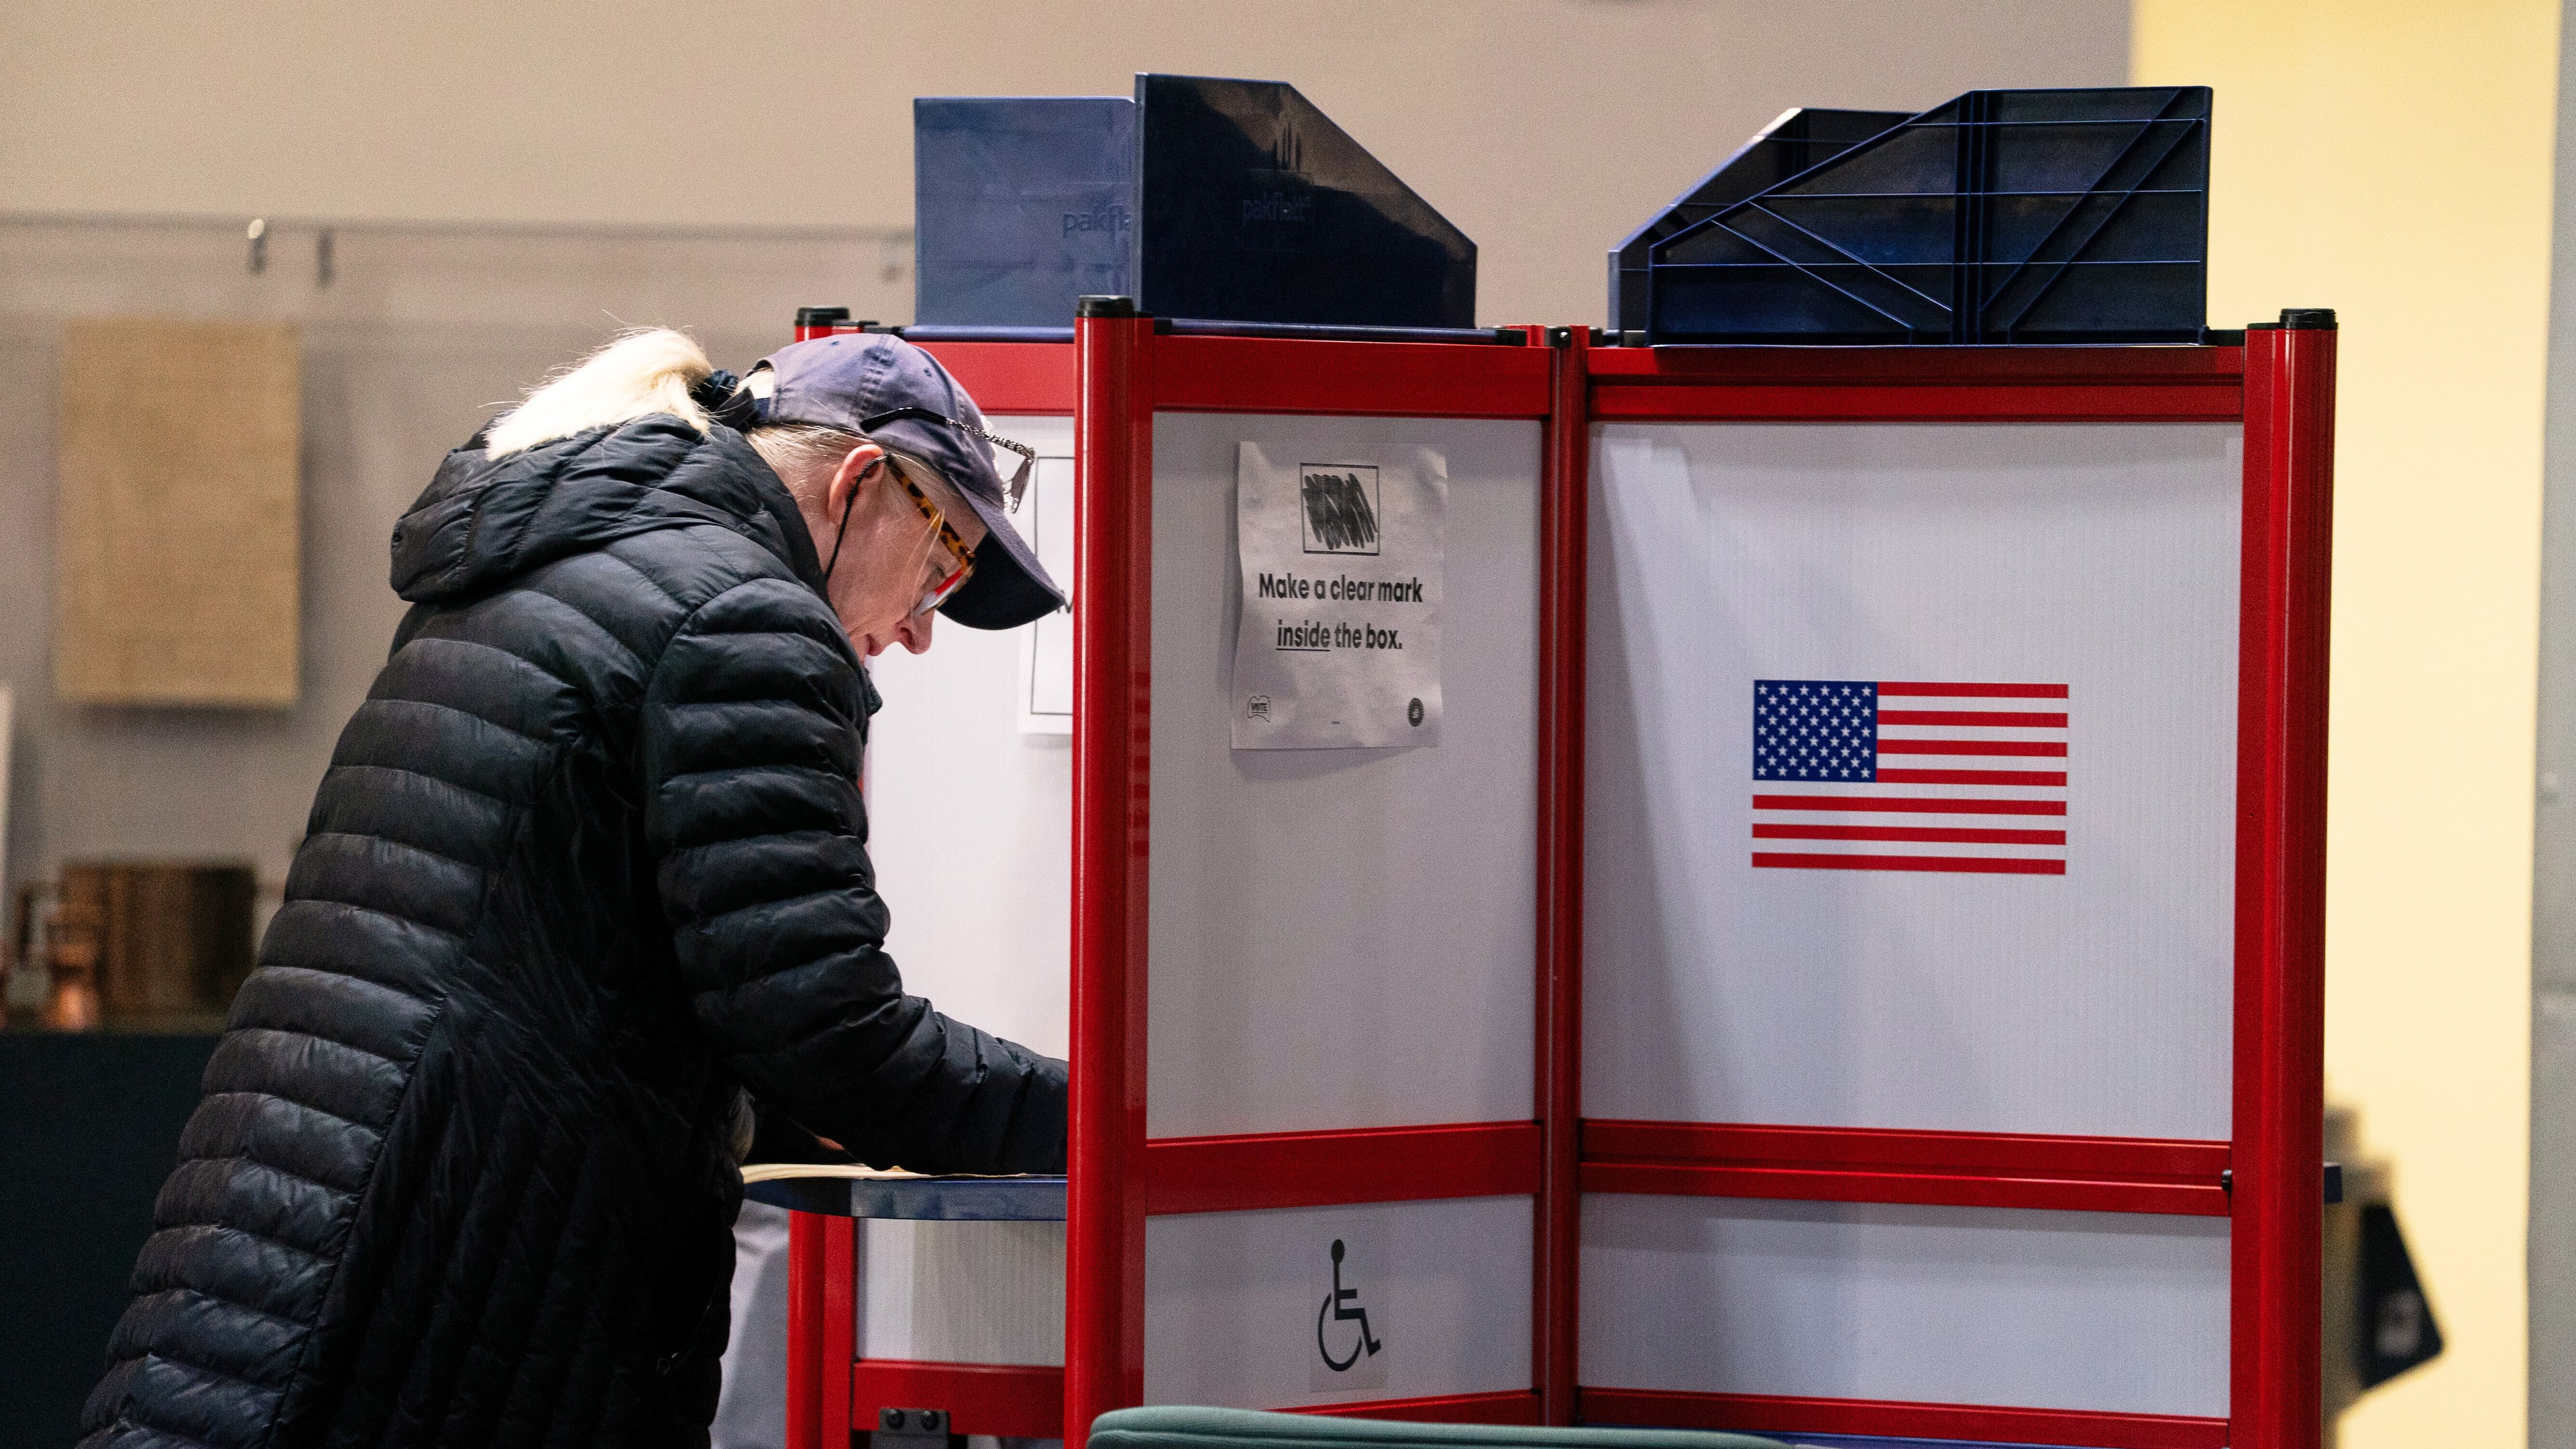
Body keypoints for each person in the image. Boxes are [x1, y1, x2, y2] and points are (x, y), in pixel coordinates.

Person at [76, 329, 1071, 1449]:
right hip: (452, 1288)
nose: (924, 628)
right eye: (941, 562)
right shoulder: (747, 620)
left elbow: (593, 960)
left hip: (285, 1230)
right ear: (858, 483)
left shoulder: (551, 563)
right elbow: (822, 1031)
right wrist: (1099, 1117)